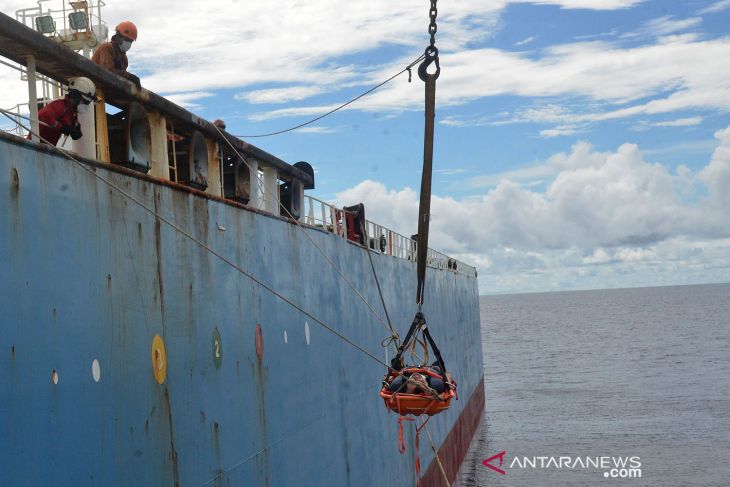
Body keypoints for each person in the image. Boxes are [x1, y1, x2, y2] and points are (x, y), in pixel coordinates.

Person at [32, 77, 96, 146]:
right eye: (85, 101)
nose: (85, 104)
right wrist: (60, 127)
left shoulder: (72, 113)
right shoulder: (60, 106)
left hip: (46, 148)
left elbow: (75, 132)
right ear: (75, 95)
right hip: (35, 146)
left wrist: (75, 130)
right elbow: (43, 114)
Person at [91, 21, 141, 88]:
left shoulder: (123, 58)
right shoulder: (107, 47)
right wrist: (129, 76)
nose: (128, 43)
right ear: (118, 36)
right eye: (127, 40)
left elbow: (121, 77)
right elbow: (107, 71)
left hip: (107, 87)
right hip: (94, 84)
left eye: (130, 41)